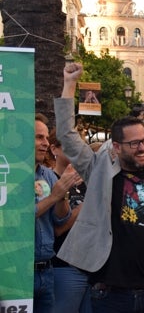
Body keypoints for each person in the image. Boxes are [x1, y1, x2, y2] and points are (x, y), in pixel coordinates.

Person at [54, 62, 144, 313]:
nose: (142, 148)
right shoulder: (99, 171)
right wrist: (70, 84)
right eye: (134, 144)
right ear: (117, 147)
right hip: (112, 292)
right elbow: (67, 136)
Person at [34, 113, 77, 313]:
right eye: (39, 137)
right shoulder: (7, 174)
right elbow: (17, 216)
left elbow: (61, 218)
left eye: (46, 138)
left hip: (47, 271)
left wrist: (63, 194)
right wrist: (53, 197)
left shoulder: (48, 175)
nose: (45, 143)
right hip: (18, 271)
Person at [48, 128, 91, 313]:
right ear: (54, 149)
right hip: (63, 267)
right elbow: (55, 229)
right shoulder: (48, 180)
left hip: (90, 267)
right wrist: (84, 208)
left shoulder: (85, 182)